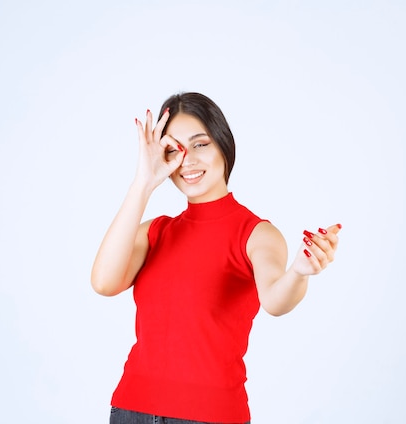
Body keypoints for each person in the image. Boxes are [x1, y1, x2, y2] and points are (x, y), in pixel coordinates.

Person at [91, 92, 341, 424]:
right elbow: (103, 283)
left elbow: (275, 300)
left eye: (200, 144)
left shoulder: (255, 234)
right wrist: (143, 182)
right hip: (130, 411)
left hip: (210, 417)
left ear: (223, 145)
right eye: (174, 149)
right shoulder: (155, 232)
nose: (188, 160)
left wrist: (299, 271)